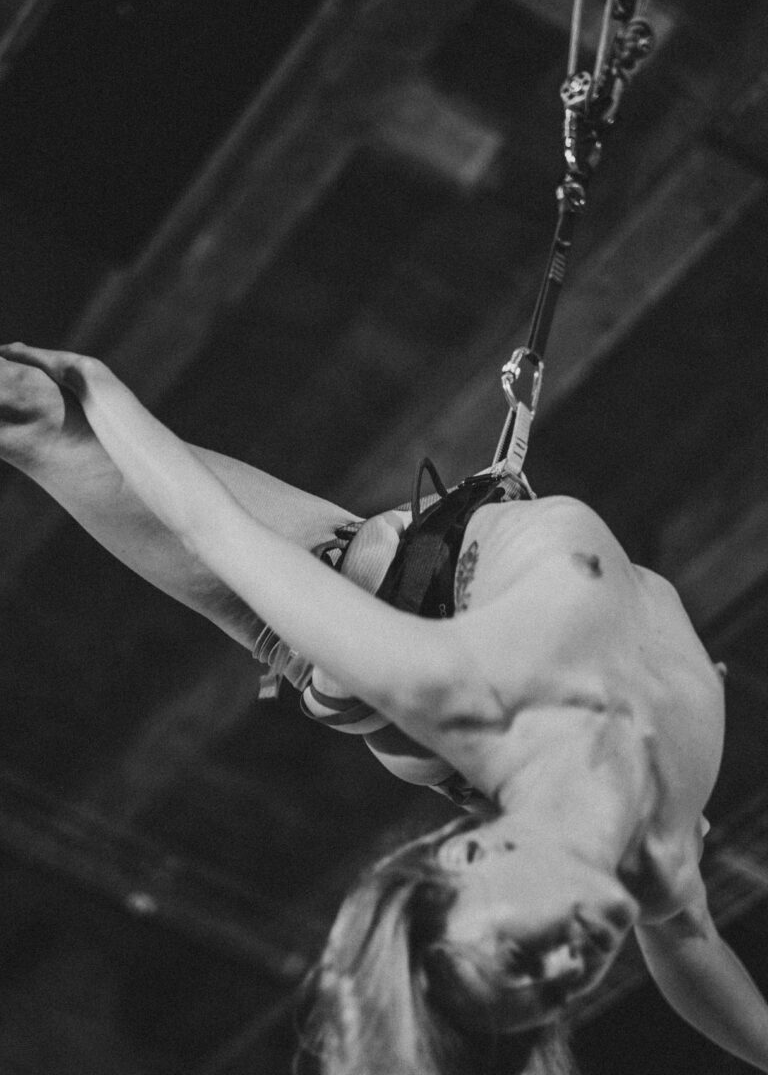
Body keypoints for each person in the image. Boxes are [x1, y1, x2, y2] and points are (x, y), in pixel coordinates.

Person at [1, 341, 767, 1075]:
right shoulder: (661, 866)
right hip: (446, 688)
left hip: (393, 601)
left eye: (521, 955)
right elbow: (703, 970)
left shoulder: (462, 691)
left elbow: (214, 531)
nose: (575, 963)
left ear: (468, 858)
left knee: (37, 417)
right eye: (558, 988)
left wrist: (100, 389)